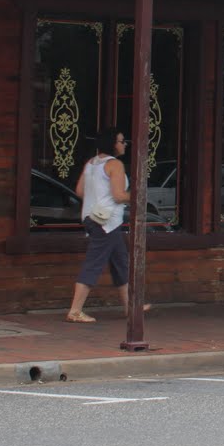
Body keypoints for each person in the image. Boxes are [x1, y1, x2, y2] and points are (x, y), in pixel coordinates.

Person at [64, 128, 146, 323]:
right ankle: (75, 310)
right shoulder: (114, 164)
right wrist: (137, 195)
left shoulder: (91, 163)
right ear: (112, 143)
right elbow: (118, 195)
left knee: (120, 261)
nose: (124, 144)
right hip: (107, 221)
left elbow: (80, 191)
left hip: (93, 217)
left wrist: (98, 199)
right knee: (95, 261)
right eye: (121, 140)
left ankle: (130, 306)